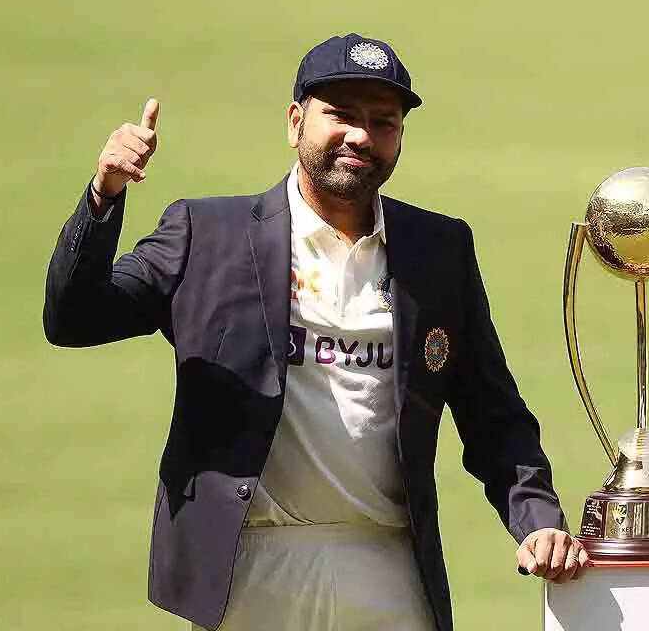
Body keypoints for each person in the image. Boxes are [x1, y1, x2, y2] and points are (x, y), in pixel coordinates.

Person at [43, 33, 586, 631]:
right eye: (341, 114)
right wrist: (103, 196)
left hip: (389, 564)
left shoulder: (439, 249)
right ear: (295, 122)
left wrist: (538, 522)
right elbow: (74, 319)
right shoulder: (208, 233)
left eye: (383, 121)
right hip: (250, 567)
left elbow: (494, 416)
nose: (361, 135)